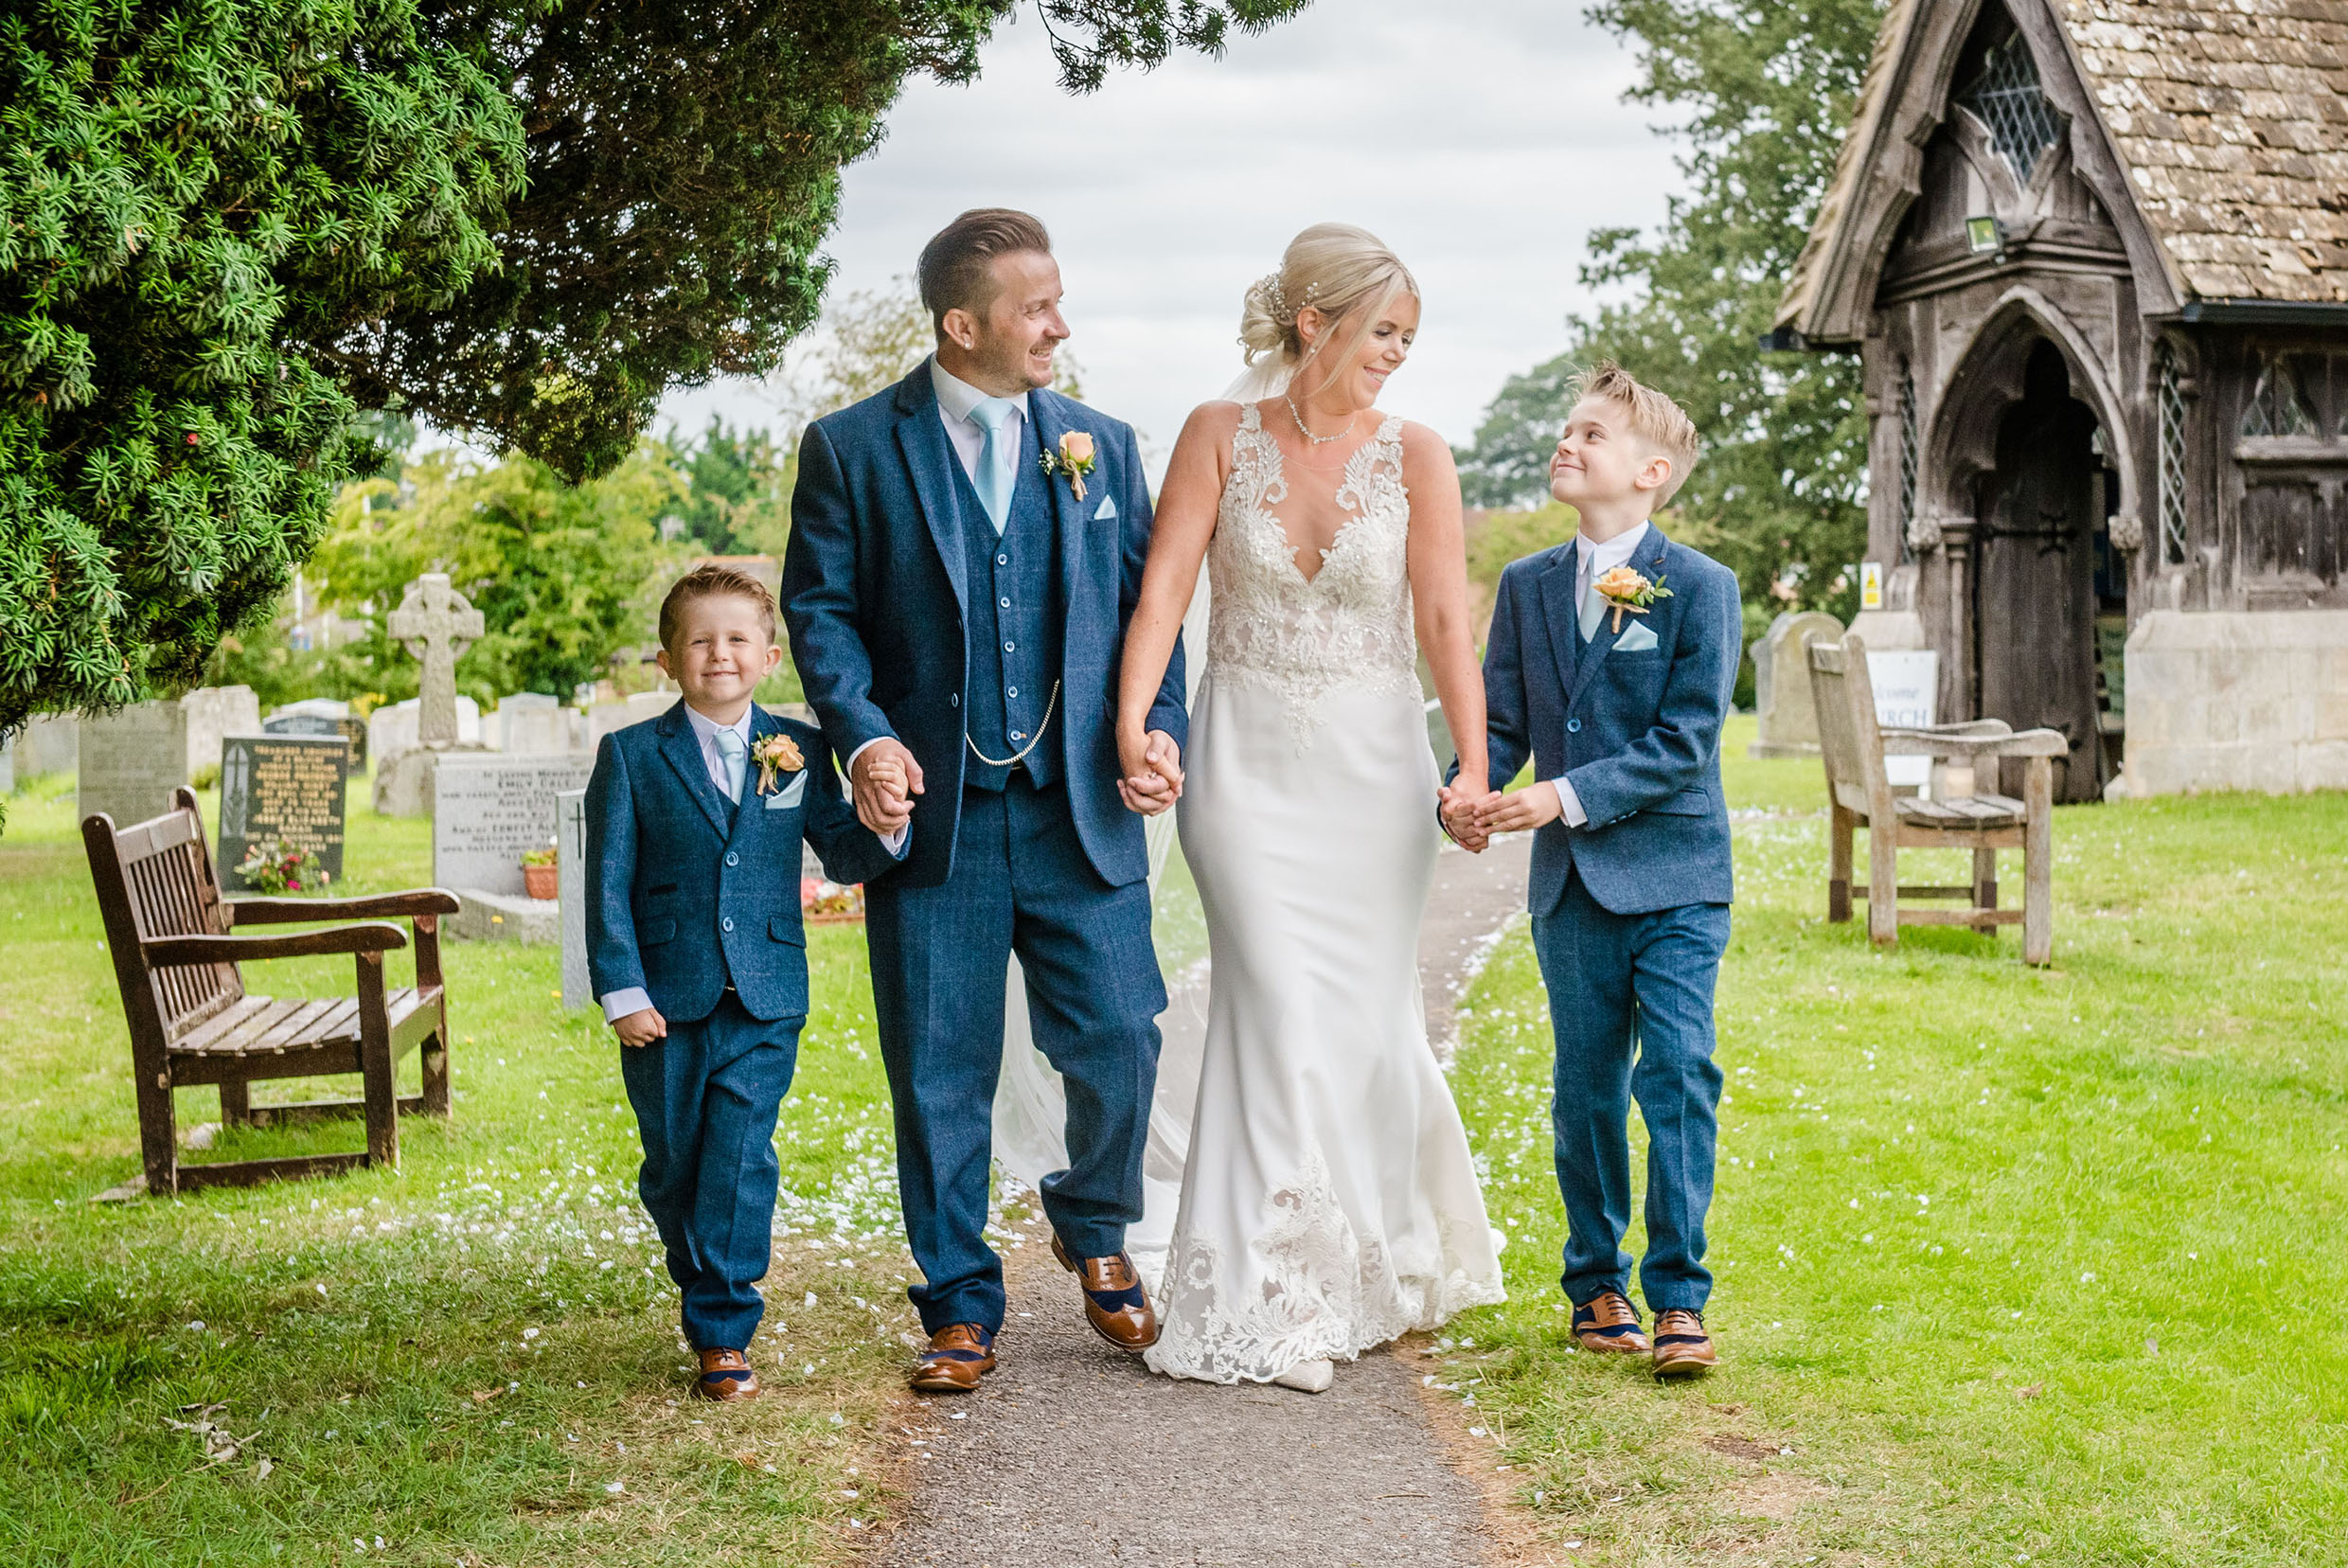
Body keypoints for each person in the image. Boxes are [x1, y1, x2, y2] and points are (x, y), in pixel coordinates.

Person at [779, 209, 1188, 1393]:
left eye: (1057, 300)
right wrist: (861, 740)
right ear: (963, 325)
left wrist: (1156, 733)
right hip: (935, 822)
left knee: (1119, 1033)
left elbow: (1145, 617)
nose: (1058, 323)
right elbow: (823, 616)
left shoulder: (1100, 446)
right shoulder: (852, 447)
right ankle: (958, 1303)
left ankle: (1094, 1221)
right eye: (1034, 306)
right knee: (937, 1071)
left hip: (1075, 810)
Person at [1112, 223, 1505, 1395]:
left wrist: (1472, 768)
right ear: (1311, 320)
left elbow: (1444, 623)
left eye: (1406, 337)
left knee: (1361, 1018)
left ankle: (1364, 1262)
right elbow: (1164, 593)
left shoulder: (1418, 455)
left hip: (1375, 773)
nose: (1395, 354)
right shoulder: (1212, 436)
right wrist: (1141, 724)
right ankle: (1261, 1292)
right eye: (1383, 330)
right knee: (1270, 1004)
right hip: (1241, 765)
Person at [1446, 362, 1741, 1378]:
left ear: (1650, 471)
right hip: (1571, 891)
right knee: (1582, 1091)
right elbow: (1497, 718)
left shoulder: (1700, 588)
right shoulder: (1526, 587)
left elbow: (1684, 742)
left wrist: (1556, 799)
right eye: (1564, 431)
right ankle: (1593, 1284)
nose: (1565, 444)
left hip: (1675, 879)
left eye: (1590, 435)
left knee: (1676, 1075)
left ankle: (1678, 1298)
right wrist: (1465, 786)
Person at [584, 564, 904, 1401]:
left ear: (769, 658)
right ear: (667, 659)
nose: (718, 654)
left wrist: (889, 829)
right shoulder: (630, 756)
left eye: (737, 640)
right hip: (665, 999)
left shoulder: (798, 746)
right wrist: (622, 991)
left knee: (737, 1156)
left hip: (764, 994)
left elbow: (840, 846)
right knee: (675, 1164)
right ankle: (698, 1268)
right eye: (700, 640)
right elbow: (608, 882)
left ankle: (723, 1331)